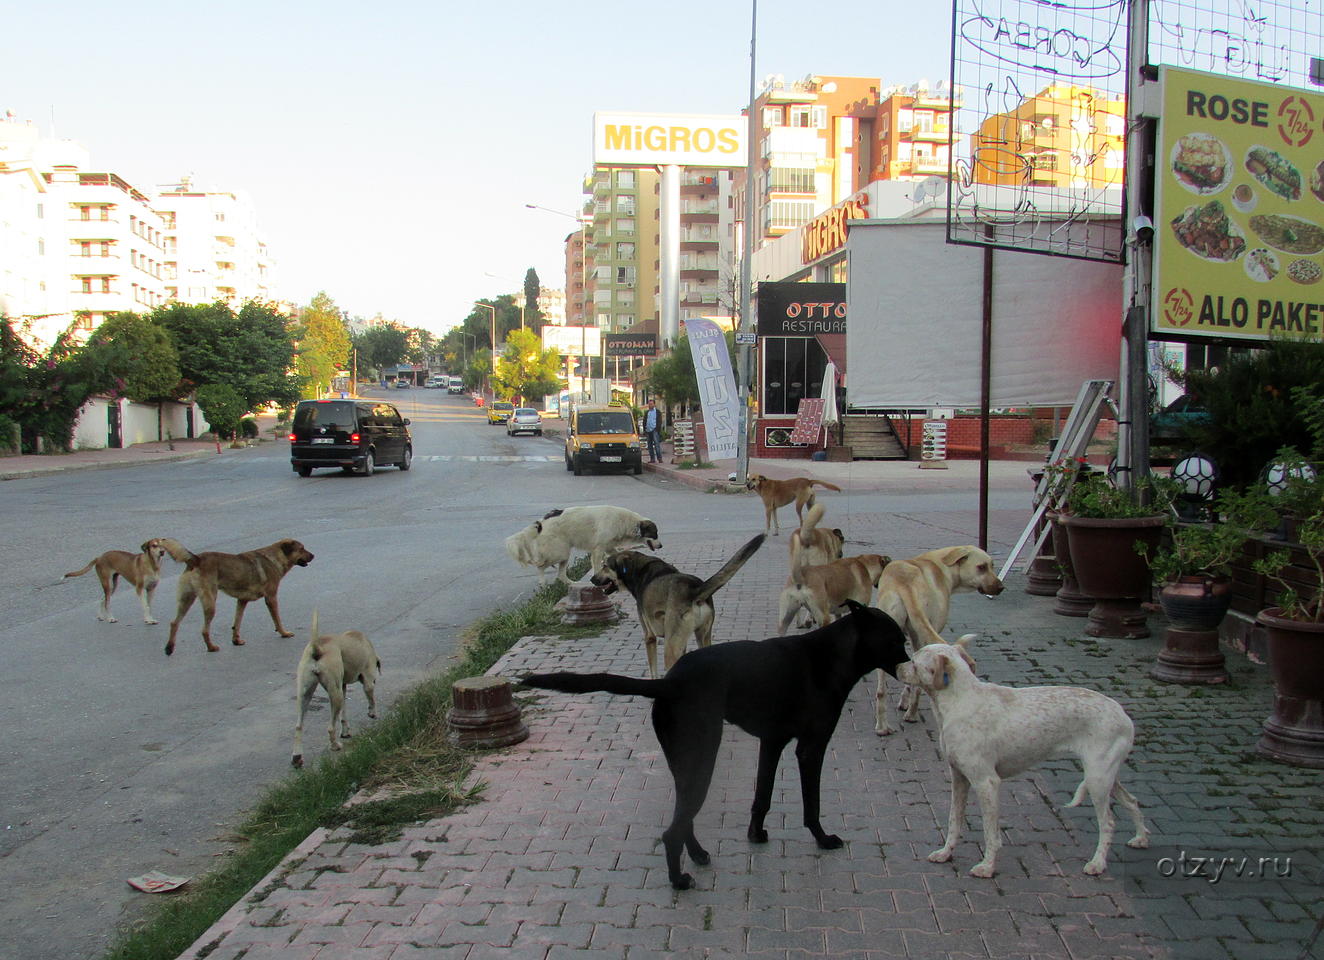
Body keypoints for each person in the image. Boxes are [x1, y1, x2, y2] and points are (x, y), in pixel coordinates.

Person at [643, 398, 662, 463]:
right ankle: (652, 459)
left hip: (654, 430)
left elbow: (659, 421)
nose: (650, 405)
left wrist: (657, 429)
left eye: (651, 404)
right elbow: (644, 421)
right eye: (649, 404)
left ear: (654, 404)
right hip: (648, 430)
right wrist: (644, 429)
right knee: (650, 445)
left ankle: (659, 458)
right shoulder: (647, 412)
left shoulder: (657, 412)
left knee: (656, 444)